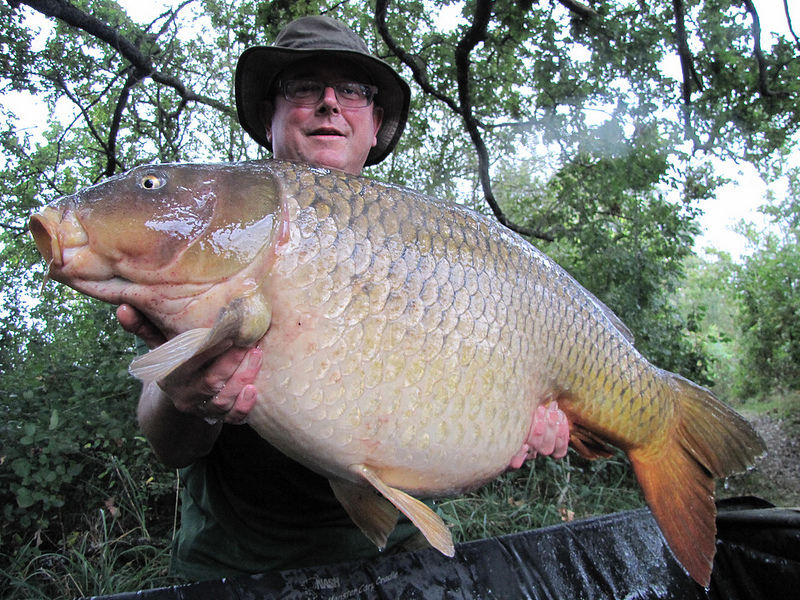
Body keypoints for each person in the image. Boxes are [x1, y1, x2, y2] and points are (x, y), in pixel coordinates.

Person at [116, 15, 570, 581]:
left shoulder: (438, 245)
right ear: (270, 116)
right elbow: (166, 443)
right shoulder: (215, 233)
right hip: (234, 564)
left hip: (396, 561)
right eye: (304, 87)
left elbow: (472, 407)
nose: (329, 103)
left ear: (376, 123)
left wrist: (516, 416)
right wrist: (185, 396)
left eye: (352, 91)